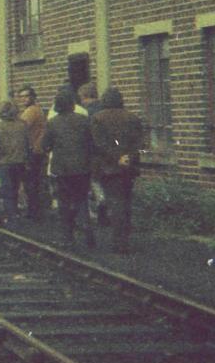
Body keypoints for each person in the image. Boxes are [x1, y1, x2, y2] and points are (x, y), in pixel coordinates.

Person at [90, 87, 144, 254]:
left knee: (116, 204)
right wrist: (128, 157)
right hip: (129, 167)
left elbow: (99, 144)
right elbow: (139, 142)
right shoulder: (132, 118)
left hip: (109, 168)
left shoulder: (97, 118)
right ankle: (125, 239)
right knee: (126, 202)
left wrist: (116, 158)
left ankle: (119, 243)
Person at [41, 86, 93, 247]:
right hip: (82, 167)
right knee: (82, 199)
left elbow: (45, 145)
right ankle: (87, 231)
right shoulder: (84, 120)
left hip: (62, 169)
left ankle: (67, 236)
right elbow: (91, 142)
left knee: (64, 202)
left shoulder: (52, 123)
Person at [0, 100, 30, 228]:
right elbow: (27, 144)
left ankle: (11, 219)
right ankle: (16, 214)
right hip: (20, 162)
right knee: (15, 189)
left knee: (7, 192)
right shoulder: (23, 125)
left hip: (5, 163)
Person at [78, 82, 107, 227]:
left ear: (84, 97)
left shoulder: (86, 113)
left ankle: (101, 206)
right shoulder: (105, 109)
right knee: (105, 181)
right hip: (107, 153)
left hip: (92, 153)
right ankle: (106, 209)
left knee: (94, 182)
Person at [17, 86, 47, 222]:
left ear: (32, 97)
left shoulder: (31, 111)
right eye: (21, 96)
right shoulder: (37, 110)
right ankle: (35, 210)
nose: (23, 99)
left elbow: (22, 128)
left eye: (26, 96)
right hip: (38, 149)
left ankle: (33, 211)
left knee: (30, 182)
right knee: (34, 182)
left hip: (33, 150)